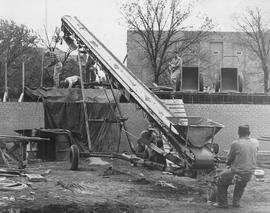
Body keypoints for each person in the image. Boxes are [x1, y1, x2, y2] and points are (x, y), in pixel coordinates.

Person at [213, 125, 258, 208]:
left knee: (219, 180)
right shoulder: (255, 142)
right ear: (249, 133)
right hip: (249, 173)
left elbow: (229, 158)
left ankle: (222, 203)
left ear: (238, 133)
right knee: (240, 185)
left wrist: (228, 164)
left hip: (237, 173)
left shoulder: (236, 143)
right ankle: (236, 203)